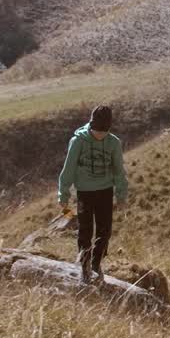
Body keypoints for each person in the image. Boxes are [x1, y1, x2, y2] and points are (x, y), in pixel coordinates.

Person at [58, 105, 129, 283]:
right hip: (84, 192)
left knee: (105, 231)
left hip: (105, 191)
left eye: (104, 131)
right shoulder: (78, 141)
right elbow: (69, 168)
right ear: (91, 125)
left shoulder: (114, 143)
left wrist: (121, 195)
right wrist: (63, 194)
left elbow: (119, 171)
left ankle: (96, 264)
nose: (100, 135)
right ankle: (84, 266)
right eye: (97, 130)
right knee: (85, 230)